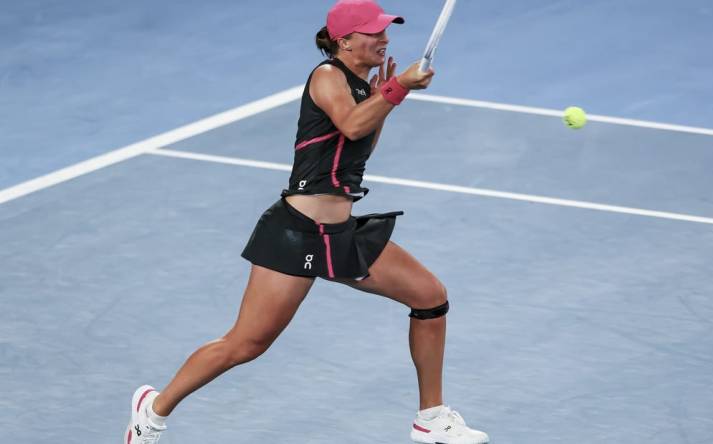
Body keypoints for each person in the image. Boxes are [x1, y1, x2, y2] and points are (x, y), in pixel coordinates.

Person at [124, 1, 489, 443]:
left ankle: (431, 417)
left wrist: (385, 96)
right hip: (296, 234)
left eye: (386, 31)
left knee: (431, 298)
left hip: (341, 233)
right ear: (345, 41)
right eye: (374, 32)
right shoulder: (327, 77)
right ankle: (153, 410)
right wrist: (395, 88)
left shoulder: (359, 83)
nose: (385, 39)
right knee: (246, 345)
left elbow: (360, 147)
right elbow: (353, 127)